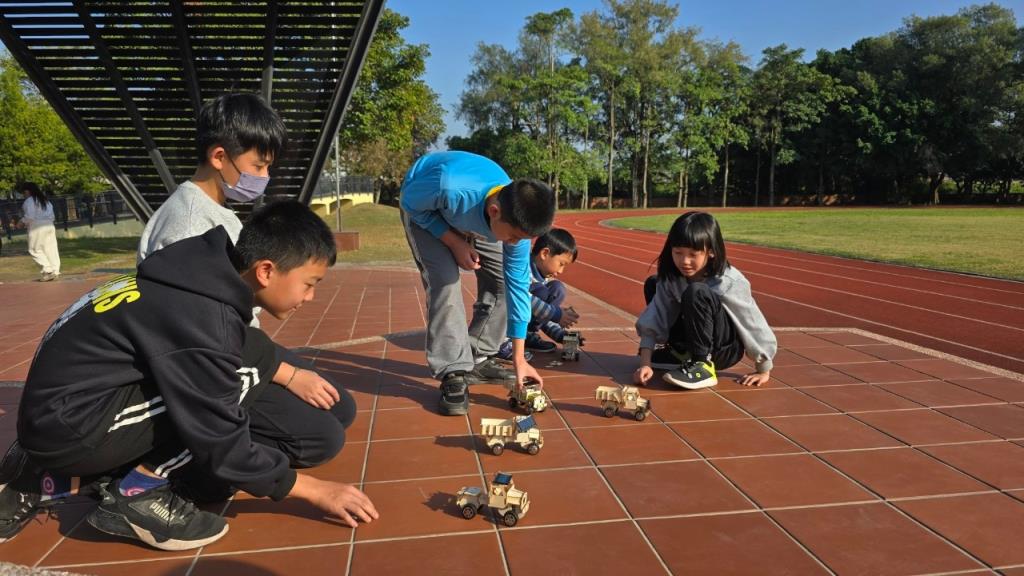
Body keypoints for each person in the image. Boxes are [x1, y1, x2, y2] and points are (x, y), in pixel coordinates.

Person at [0, 201, 378, 550]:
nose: (310, 298)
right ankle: (137, 493)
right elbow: (217, 436)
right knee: (235, 379)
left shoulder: (196, 275)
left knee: (253, 356)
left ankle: (85, 469)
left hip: (67, 406)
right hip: (68, 429)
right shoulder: (204, 318)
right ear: (265, 271)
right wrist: (312, 490)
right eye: (309, 284)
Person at [138, 92, 349, 424]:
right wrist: (287, 376)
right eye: (258, 165)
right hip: (213, 360)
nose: (264, 176)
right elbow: (195, 333)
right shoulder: (189, 225)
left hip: (239, 343)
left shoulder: (220, 212)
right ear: (219, 156)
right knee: (321, 432)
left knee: (337, 407)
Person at [400, 151, 556, 416]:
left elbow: (517, 287)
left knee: (504, 283)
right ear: (495, 212)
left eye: (523, 239)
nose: (515, 244)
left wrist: (519, 358)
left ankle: (478, 356)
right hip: (426, 210)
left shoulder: (514, 222)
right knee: (446, 285)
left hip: (474, 216)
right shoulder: (449, 186)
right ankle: (453, 372)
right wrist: (454, 241)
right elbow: (410, 202)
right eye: (514, 237)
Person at [634, 211, 776, 389]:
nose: (684, 261)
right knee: (654, 283)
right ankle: (681, 354)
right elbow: (656, 314)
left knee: (697, 291)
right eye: (678, 252)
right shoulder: (672, 278)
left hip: (722, 349)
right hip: (693, 338)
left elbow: (751, 322)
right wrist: (645, 363)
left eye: (693, 254)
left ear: (711, 252)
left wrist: (763, 368)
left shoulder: (728, 281)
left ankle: (702, 365)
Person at [496, 228, 580, 358]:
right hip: (502, 319)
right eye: (561, 264)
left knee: (557, 288)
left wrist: (561, 336)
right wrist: (557, 314)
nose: (561, 271)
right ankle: (504, 341)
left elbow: (542, 315)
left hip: (522, 316)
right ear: (545, 253)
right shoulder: (522, 268)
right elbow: (522, 298)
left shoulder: (543, 277)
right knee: (540, 292)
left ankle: (527, 335)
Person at [20, 182, 60, 281]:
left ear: (27, 191)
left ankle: (47, 269)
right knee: (51, 249)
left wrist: (21, 222)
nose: (23, 195)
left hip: (37, 226)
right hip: (49, 225)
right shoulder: (45, 200)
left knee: (34, 249)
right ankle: (55, 270)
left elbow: (30, 216)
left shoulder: (29, 201)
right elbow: (53, 215)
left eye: (23, 192)